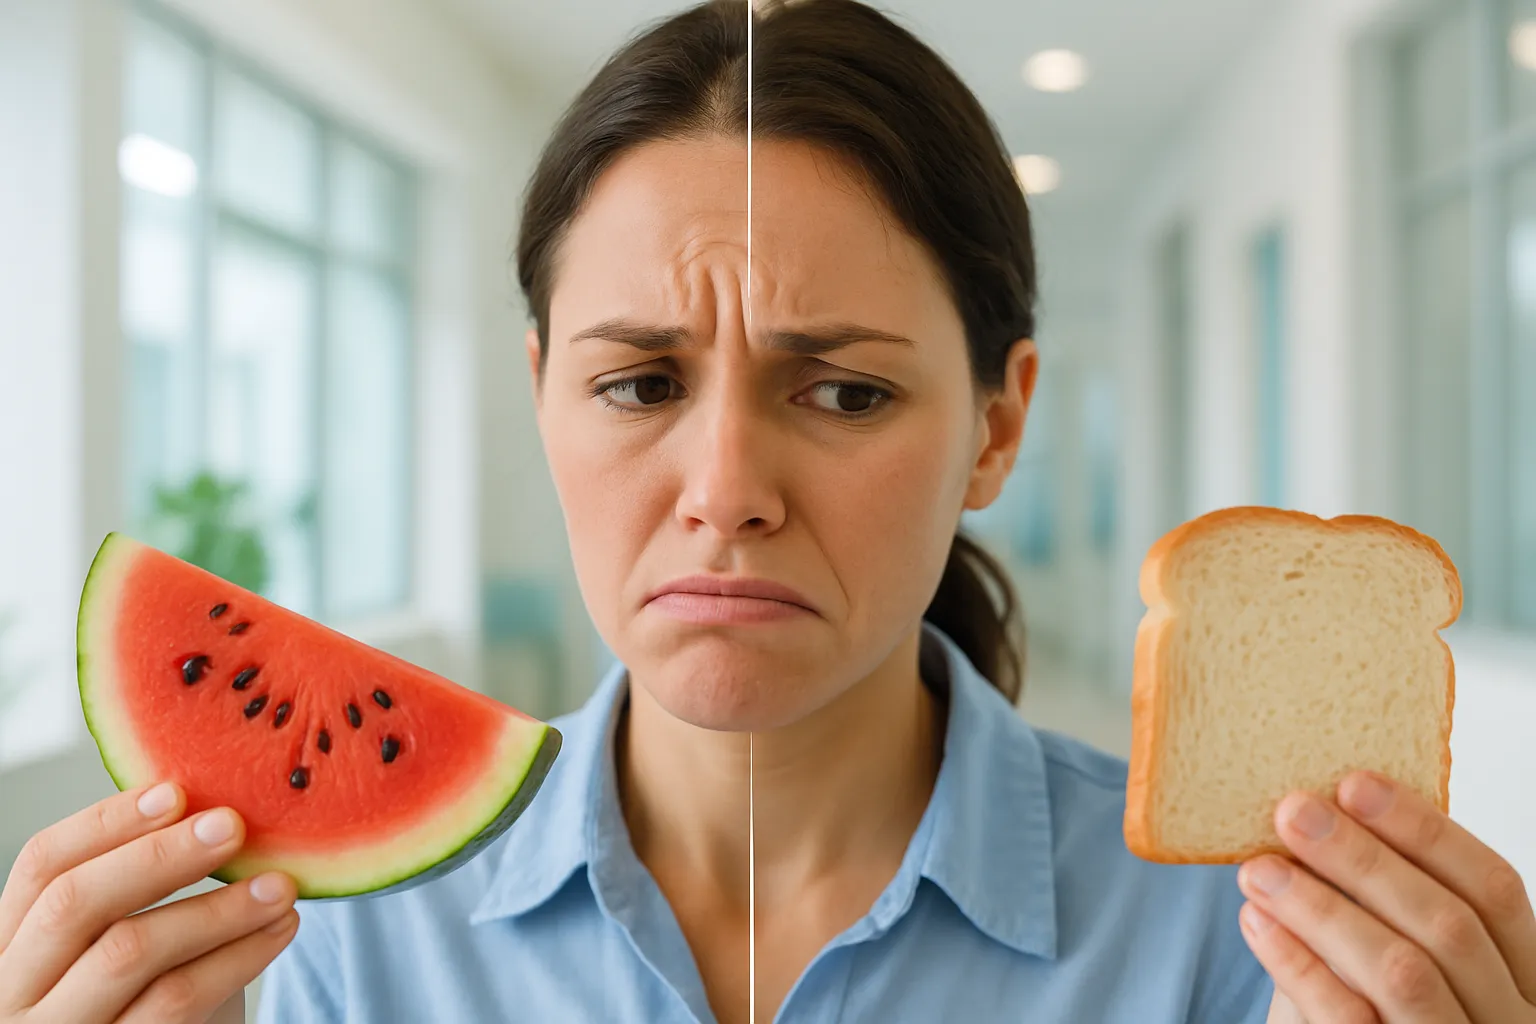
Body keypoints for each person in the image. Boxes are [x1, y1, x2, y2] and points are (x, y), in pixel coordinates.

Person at [3, 1, 1533, 1021]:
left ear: (997, 426)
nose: (726, 495)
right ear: (542, 397)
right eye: (637, 384)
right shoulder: (329, 934)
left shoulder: (1246, 938)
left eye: (846, 393)